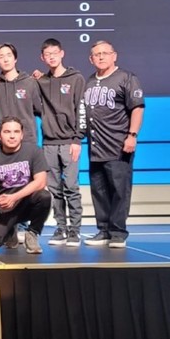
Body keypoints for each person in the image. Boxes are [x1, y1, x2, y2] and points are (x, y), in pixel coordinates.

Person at [82, 41, 145, 248]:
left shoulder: (126, 78)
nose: (101, 57)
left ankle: (118, 232)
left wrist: (132, 135)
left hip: (118, 146)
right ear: (91, 59)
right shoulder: (89, 81)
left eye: (105, 53)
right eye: (96, 54)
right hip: (95, 147)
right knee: (99, 191)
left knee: (119, 191)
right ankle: (104, 230)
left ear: (114, 56)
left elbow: (137, 107)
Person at [37, 38, 87, 247]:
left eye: (55, 53)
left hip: (70, 142)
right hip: (49, 143)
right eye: (47, 55)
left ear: (62, 53)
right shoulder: (41, 81)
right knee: (54, 189)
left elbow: (81, 109)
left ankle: (74, 231)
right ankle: (60, 228)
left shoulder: (76, 79)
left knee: (71, 187)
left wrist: (77, 138)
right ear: (42, 57)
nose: (51, 57)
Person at [0, 117, 51, 254]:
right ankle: (10, 231)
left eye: (16, 132)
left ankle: (32, 233)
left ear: (22, 135)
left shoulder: (34, 151)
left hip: (26, 203)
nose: (12, 136)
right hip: (4, 207)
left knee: (44, 196)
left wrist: (15, 197)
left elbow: (41, 181)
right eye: (7, 132)